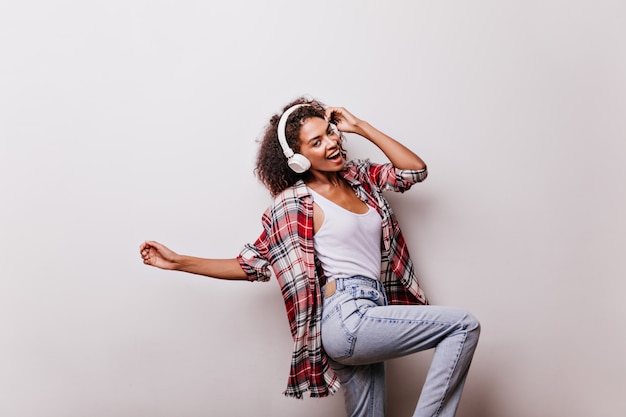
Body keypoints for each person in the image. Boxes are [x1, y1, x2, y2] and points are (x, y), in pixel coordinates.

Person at [139, 97, 480, 417]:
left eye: (329, 133)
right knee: (462, 326)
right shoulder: (294, 204)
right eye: (316, 142)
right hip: (345, 315)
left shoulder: (360, 179)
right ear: (297, 159)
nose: (331, 143)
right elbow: (251, 265)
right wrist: (178, 261)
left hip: (373, 308)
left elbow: (413, 171)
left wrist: (359, 126)